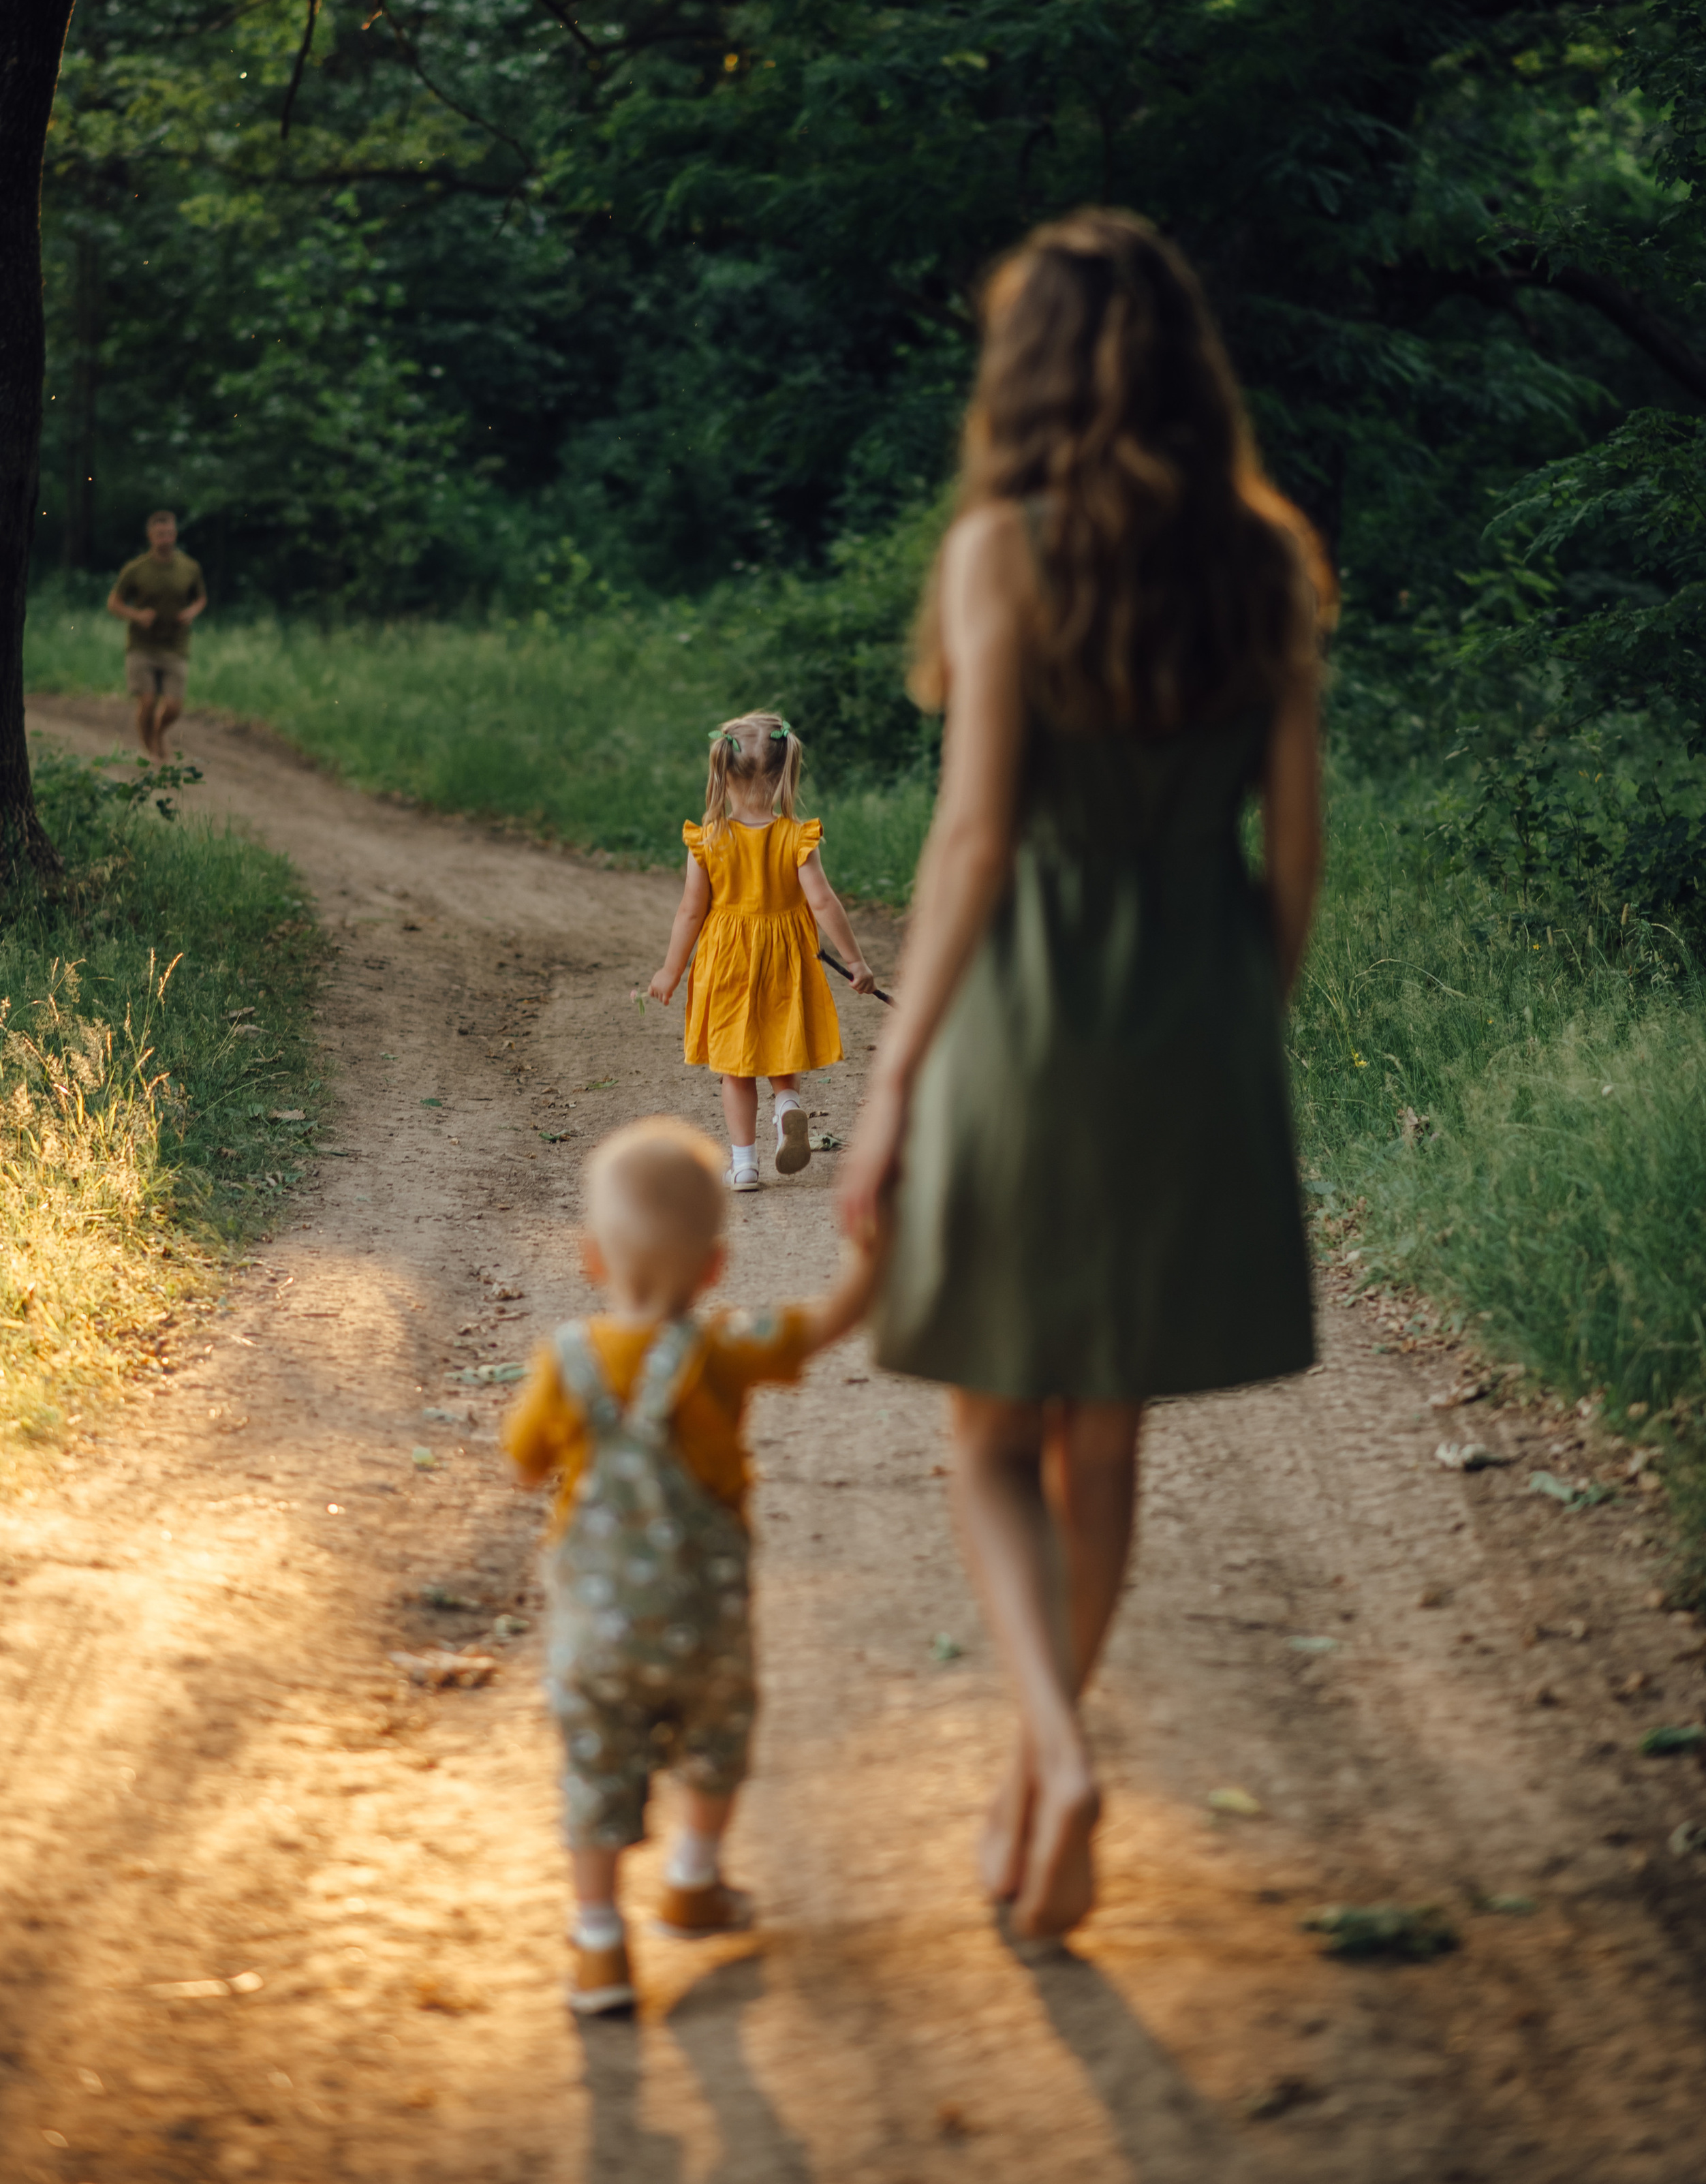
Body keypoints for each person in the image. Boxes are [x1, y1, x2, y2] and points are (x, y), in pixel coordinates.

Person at [837, 209, 1333, 1943]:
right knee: (1101, 1436)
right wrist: (1226, 1024)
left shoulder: (1000, 552)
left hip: (1023, 1021)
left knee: (986, 1432)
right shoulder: (1265, 559)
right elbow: (1292, 851)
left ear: (1028, 365)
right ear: (1188, 366)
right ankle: (1032, 1780)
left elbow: (972, 835)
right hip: (1193, 1017)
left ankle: (1051, 1749)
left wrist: (894, 1076)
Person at [503, 1116, 882, 2016]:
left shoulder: (567, 1362)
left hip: (600, 1635)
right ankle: (693, 1877)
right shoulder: (721, 1349)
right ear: (715, 1268)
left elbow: (522, 1461)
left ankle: (599, 1943)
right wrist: (871, 1252)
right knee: (716, 1744)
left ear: (591, 1257)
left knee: (597, 1772)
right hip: (705, 1628)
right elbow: (830, 1322)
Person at [649, 711, 877, 1190]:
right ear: (783, 775)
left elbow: (690, 912)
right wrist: (854, 962)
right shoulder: (798, 836)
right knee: (778, 1041)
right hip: (786, 956)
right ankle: (788, 1105)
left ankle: (745, 1163)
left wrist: (672, 969)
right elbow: (823, 901)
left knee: (735, 1067)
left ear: (721, 774)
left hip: (727, 959)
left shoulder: (708, 839)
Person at [106, 508, 207, 765]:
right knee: (148, 702)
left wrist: (192, 612)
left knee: (173, 707)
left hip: (176, 645)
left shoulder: (190, 568)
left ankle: (158, 735)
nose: (166, 539)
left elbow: (201, 598)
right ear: (151, 536)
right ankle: (150, 750)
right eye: (160, 534)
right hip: (142, 645)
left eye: (170, 534)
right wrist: (136, 616)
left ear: (175, 535)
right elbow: (114, 603)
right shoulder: (136, 569)